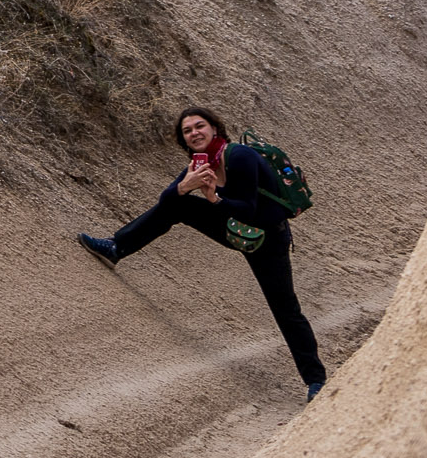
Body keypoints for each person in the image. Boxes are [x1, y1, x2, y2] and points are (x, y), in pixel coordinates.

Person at [80, 106, 328, 400]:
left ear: (215, 129)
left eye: (200, 126)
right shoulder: (201, 162)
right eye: (187, 131)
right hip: (235, 228)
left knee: (285, 310)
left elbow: (248, 210)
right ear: (184, 140)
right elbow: (167, 200)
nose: (194, 133)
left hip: (266, 239)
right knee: (180, 204)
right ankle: (117, 247)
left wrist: (213, 197)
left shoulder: (240, 157)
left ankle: (316, 381)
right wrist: (184, 186)